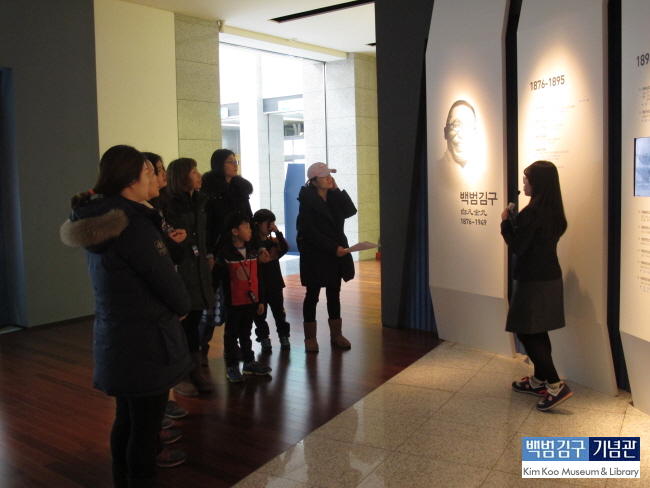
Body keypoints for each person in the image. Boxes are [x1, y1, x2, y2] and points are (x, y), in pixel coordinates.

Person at [60, 145, 191, 487]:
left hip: (118, 336)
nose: (153, 178)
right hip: (147, 340)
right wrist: (182, 306)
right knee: (145, 430)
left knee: (127, 420)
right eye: (148, 172)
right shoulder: (134, 226)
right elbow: (164, 279)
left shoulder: (100, 219)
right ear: (132, 180)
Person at [500, 160, 573, 412]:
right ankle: (538, 380)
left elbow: (518, 247)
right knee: (538, 331)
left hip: (533, 280)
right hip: (550, 277)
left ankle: (554, 385)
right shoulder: (553, 210)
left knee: (526, 331)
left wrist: (505, 224)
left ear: (537, 183)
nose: (524, 183)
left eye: (527, 179)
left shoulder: (533, 212)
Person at [165, 158, 214, 397]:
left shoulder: (200, 201)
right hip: (181, 268)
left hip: (199, 267)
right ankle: (181, 373)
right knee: (182, 321)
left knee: (194, 319)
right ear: (182, 176)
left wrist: (208, 255)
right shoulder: (169, 205)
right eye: (193, 171)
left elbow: (204, 234)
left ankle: (195, 370)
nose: (198, 175)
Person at [200, 149, 254, 364]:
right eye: (230, 161)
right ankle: (201, 348)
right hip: (219, 251)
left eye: (235, 161)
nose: (234, 164)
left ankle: (232, 345)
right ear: (218, 165)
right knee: (213, 301)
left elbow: (248, 218)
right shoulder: (209, 191)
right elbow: (207, 227)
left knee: (237, 300)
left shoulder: (240, 189)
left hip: (239, 252)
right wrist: (209, 253)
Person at [296, 162, 357, 352]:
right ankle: (310, 338)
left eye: (330, 175)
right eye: (324, 176)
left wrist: (337, 190)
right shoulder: (307, 201)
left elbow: (350, 211)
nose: (329, 178)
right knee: (312, 294)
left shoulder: (333, 197)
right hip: (316, 254)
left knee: (334, 293)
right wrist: (332, 248)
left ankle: (336, 335)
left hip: (335, 252)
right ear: (314, 181)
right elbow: (310, 232)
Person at [214, 211, 272, 382]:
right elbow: (217, 279)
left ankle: (249, 362)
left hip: (251, 300)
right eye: (246, 227)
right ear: (234, 231)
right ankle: (232, 366)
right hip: (233, 301)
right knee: (231, 334)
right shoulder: (225, 254)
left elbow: (258, 277)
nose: (250, 230)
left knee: (246, 332)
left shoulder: (253, 251)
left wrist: (261, 300)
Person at [252, 209, 291, 351]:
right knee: (259, 314)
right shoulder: (253, 246)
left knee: (279, 312)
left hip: (275, 283)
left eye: (272, 223)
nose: (270, 226)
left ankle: (284, 336)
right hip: (258, 285)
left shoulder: (273, 242)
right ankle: (264, 338)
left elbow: (285, 248)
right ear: (257, 224)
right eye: (268, 223)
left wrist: (278, 232)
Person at [442, 99, 477, 168]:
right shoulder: (434, 169)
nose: (462, 135)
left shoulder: (482, 174)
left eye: (469, 126)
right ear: (446, 132)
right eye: (456, 125)